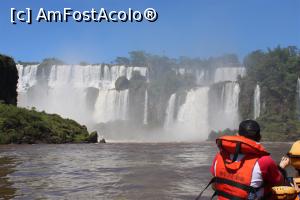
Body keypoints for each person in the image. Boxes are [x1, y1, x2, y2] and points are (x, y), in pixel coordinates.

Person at [209, 120, 284, 199]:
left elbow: (214, 186)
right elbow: (279, 182)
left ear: (237, 135)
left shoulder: (219, 156)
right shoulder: (264, 160)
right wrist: (281, 168)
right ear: (259, 137)